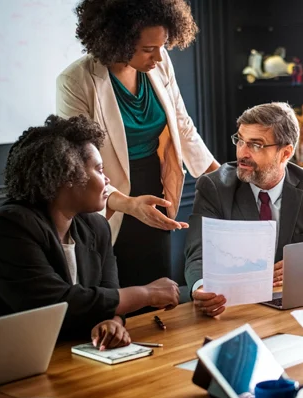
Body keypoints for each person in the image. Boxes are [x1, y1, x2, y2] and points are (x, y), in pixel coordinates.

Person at [56, 0, 219, 289]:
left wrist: (221, 179)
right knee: (115, 291)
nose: (158, 56)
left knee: (157, 286)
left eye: (163, 45)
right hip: (104, 194)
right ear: (117, 39)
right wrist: (128, 204)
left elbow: (183, 126)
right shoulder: (76, 80)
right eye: (148, 49)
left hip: (153, 187)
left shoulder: (160, 62)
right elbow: (77, 162)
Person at [0, 115, 180, 349]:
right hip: (12, 357)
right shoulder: (7, 227)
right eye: (99, 169)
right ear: (67, 176)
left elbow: (108, 295)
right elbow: (58, 304)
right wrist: (147, 294)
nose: (107, 179)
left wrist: (112, 322)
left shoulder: (96, 227)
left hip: (71, 353)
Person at [184, 102, 303, 317]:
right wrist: (202, 287)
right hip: (237, 308)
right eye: (240, 140)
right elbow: (198, 253)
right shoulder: (215, 187)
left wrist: (302, 265)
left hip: (299, 306)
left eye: (256, 145)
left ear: (285, 153)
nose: (243, 153)